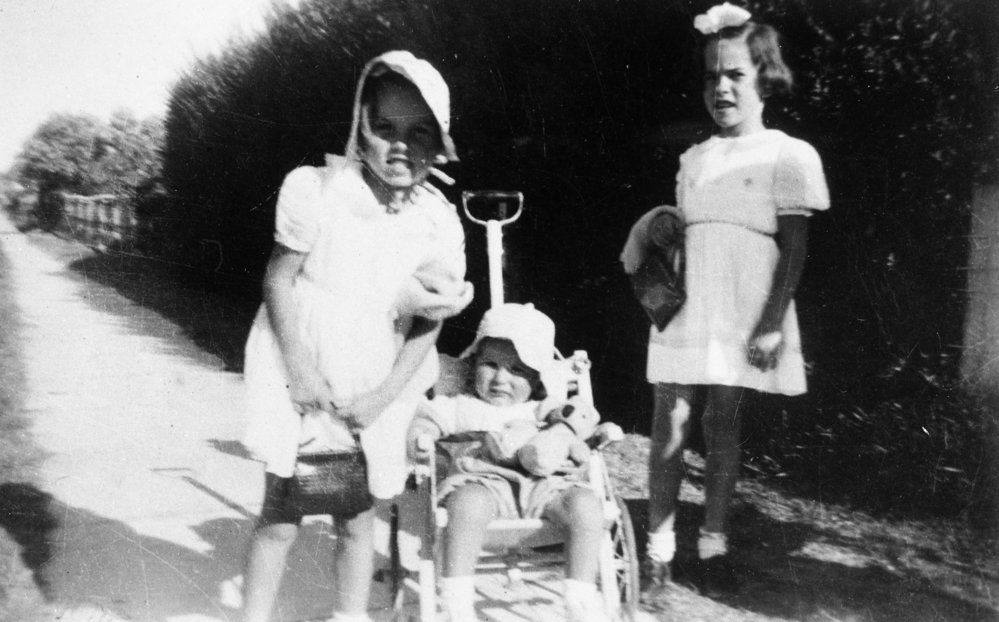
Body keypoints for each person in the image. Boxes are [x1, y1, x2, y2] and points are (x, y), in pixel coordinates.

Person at [239, 50, 473, 622]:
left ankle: (350, 616)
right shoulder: (318, 190)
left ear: (439, 142)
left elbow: (429, 321)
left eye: (420, 133)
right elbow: (279, 278)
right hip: (302, 355)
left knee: (357, 514)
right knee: (282, 512)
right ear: (360, 128)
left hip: (376, 375)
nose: (401, 146)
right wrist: (299, 368)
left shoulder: (437, 221)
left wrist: (382, 398)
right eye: (385, 129)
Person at [620, 2, 830, 597]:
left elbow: (793, 248)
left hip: (745, 303)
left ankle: (713, 544)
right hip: (690, 304)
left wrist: (770, 323)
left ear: (764, 77)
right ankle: (659, 551)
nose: (721, 87)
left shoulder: (788, 154)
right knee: (670, 421)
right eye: (711, 76)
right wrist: (660, 230)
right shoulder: (695, 158)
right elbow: (687, 232)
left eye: (735, 74)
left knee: (722, 422)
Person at [407, 303, 609, 622]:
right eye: (491, 364)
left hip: (543, 485)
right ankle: (456, 600)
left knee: (585, 504)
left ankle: (580, 599)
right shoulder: (460, 406)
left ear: (537, 378)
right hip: (484, 482)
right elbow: (427, 419)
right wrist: (423, 435)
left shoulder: (539, 409)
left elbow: (573, 421)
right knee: (467, 503)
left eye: (517, 370)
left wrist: (585, 429)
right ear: (473, 363)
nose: (501, 378)